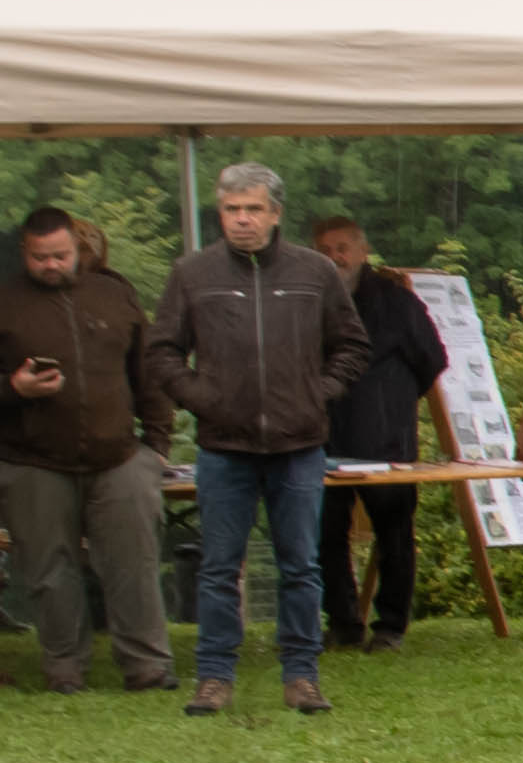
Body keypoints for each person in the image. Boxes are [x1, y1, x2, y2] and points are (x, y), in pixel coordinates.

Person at [149, 162, 365, 718]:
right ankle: (214, 677)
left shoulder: (314, 271)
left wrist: (319, 392)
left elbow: (352, 345)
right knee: (220, 568)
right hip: (225, 447)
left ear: (275, 214)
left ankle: (302, 676)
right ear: (219, 213)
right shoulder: (192, 273)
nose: (241, 219)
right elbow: (162, 351)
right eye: (231, 209)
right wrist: (201, 397)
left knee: (301, 566)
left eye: (252, 209)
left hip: (299, 445)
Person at [3, 204, 169, 694]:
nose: (51, 265)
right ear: (24, 252)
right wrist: (14, 388)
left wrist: (157, 444)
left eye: (60, 255)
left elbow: (148, 372)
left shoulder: (113, 294)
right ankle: (64, 667)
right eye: (40, 257)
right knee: (49, 570)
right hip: (33, 460)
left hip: (119, 457)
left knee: (134, 564)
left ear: (77, 248)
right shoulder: (5, 300)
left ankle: (147, 664)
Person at [308, 216, 446, 652]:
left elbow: (432, 359)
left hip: (385, 440)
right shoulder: (308, 302)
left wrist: (392, 399)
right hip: (322, 435)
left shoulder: (395, 300)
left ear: (362, 251)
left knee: (394, 534)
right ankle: (344, 623)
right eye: (325, 250)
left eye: (342, 248)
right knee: (325, 533)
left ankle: (391, 626)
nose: (335, 257)